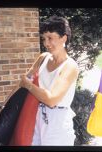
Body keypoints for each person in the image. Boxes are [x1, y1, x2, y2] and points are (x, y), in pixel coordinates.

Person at [19, 16, 79, 145]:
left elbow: (51, 100)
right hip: (36, 115)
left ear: (64, 38)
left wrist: (28, 85)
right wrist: (5, 106)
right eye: (44, 39)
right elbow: (23, 82)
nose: (46, 43)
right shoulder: (43, 58)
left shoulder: (70, 66)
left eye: (50, 38)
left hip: (58, 123)